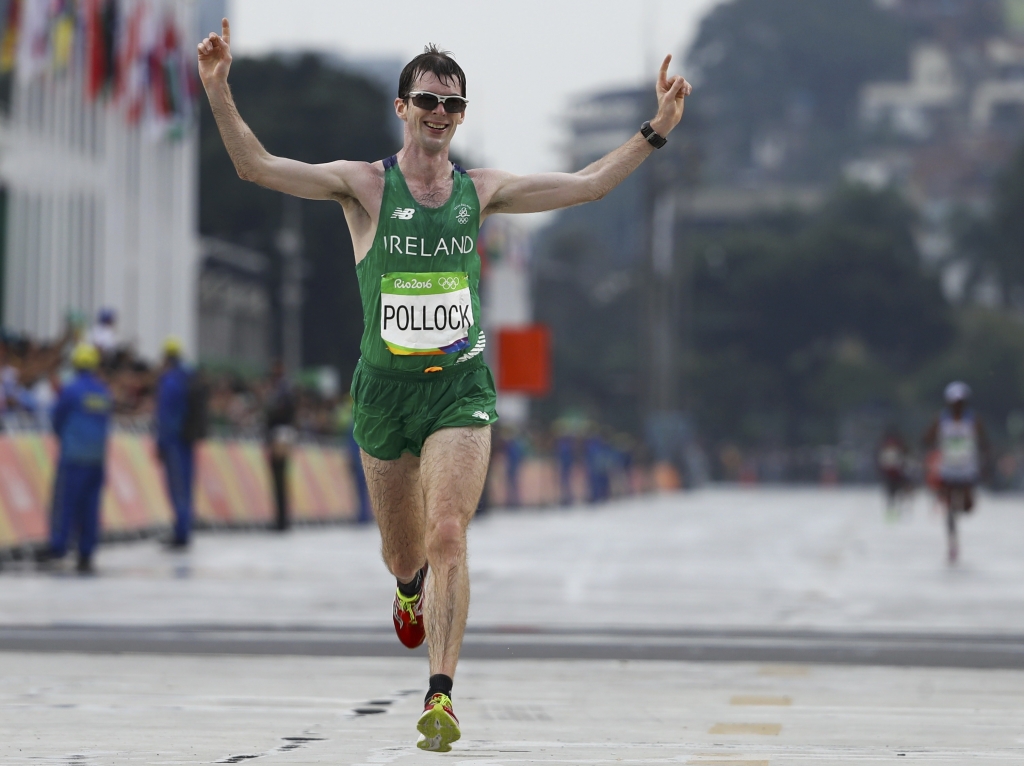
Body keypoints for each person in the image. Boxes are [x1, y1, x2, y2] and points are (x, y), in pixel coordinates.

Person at [198, 19, 690, 751]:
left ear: (463, 117)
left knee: (450, 533)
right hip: (384, 397)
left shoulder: (481, 191)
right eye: (428, 100)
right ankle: (406, 591)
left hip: (459, 392)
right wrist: (218, 88)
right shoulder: (363, 186)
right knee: (406, 555)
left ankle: (441, 694)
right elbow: (257, 167)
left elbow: (587, 186)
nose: (440, 114)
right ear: (403, 108)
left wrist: (656, 129)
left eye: (454, 105)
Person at [40, 343, 111, 574]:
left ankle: (59, 547)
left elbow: (57, 418)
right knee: (90, 507)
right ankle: (86, 553)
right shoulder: (103, 392)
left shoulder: (70, 390)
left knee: (65, 504)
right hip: (97, 458)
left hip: (73, 456)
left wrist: (64, 438)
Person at [922, 382, 991, 564]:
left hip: (968, 467)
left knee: (968, 507)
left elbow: (984, 441)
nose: (957, 405)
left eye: (960, 401)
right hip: (948, 467)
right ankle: (952, 542)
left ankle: (958, 506)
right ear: (949, 402)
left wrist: (986, 462)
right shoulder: (941, 419)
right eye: (954, 402)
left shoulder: (973, 419)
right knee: (950, 509)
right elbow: (927, 438)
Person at [156, 337, 195, 549]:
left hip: (175, 441)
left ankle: (181, 533)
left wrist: (161, 442)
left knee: (177, 488)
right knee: (186, 488)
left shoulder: (170, 380)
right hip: (187, 441)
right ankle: (184, 528)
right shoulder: (188, 376)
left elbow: (165, 415)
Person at [264, 360, 297, 531]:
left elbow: (278, 412)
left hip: (280, 434)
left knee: (279, 478)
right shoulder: (284, 388)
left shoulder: (280, 390)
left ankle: (282, 520)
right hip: (283, 434)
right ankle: (282, 519)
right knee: (280, 479)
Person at [877, 426, 911, 519]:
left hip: (893, 474)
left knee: (892, 495)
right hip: (894, 474)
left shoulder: (885, 446)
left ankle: (893, 513)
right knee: (895, 494)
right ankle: (894, 513)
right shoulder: (898, 445)